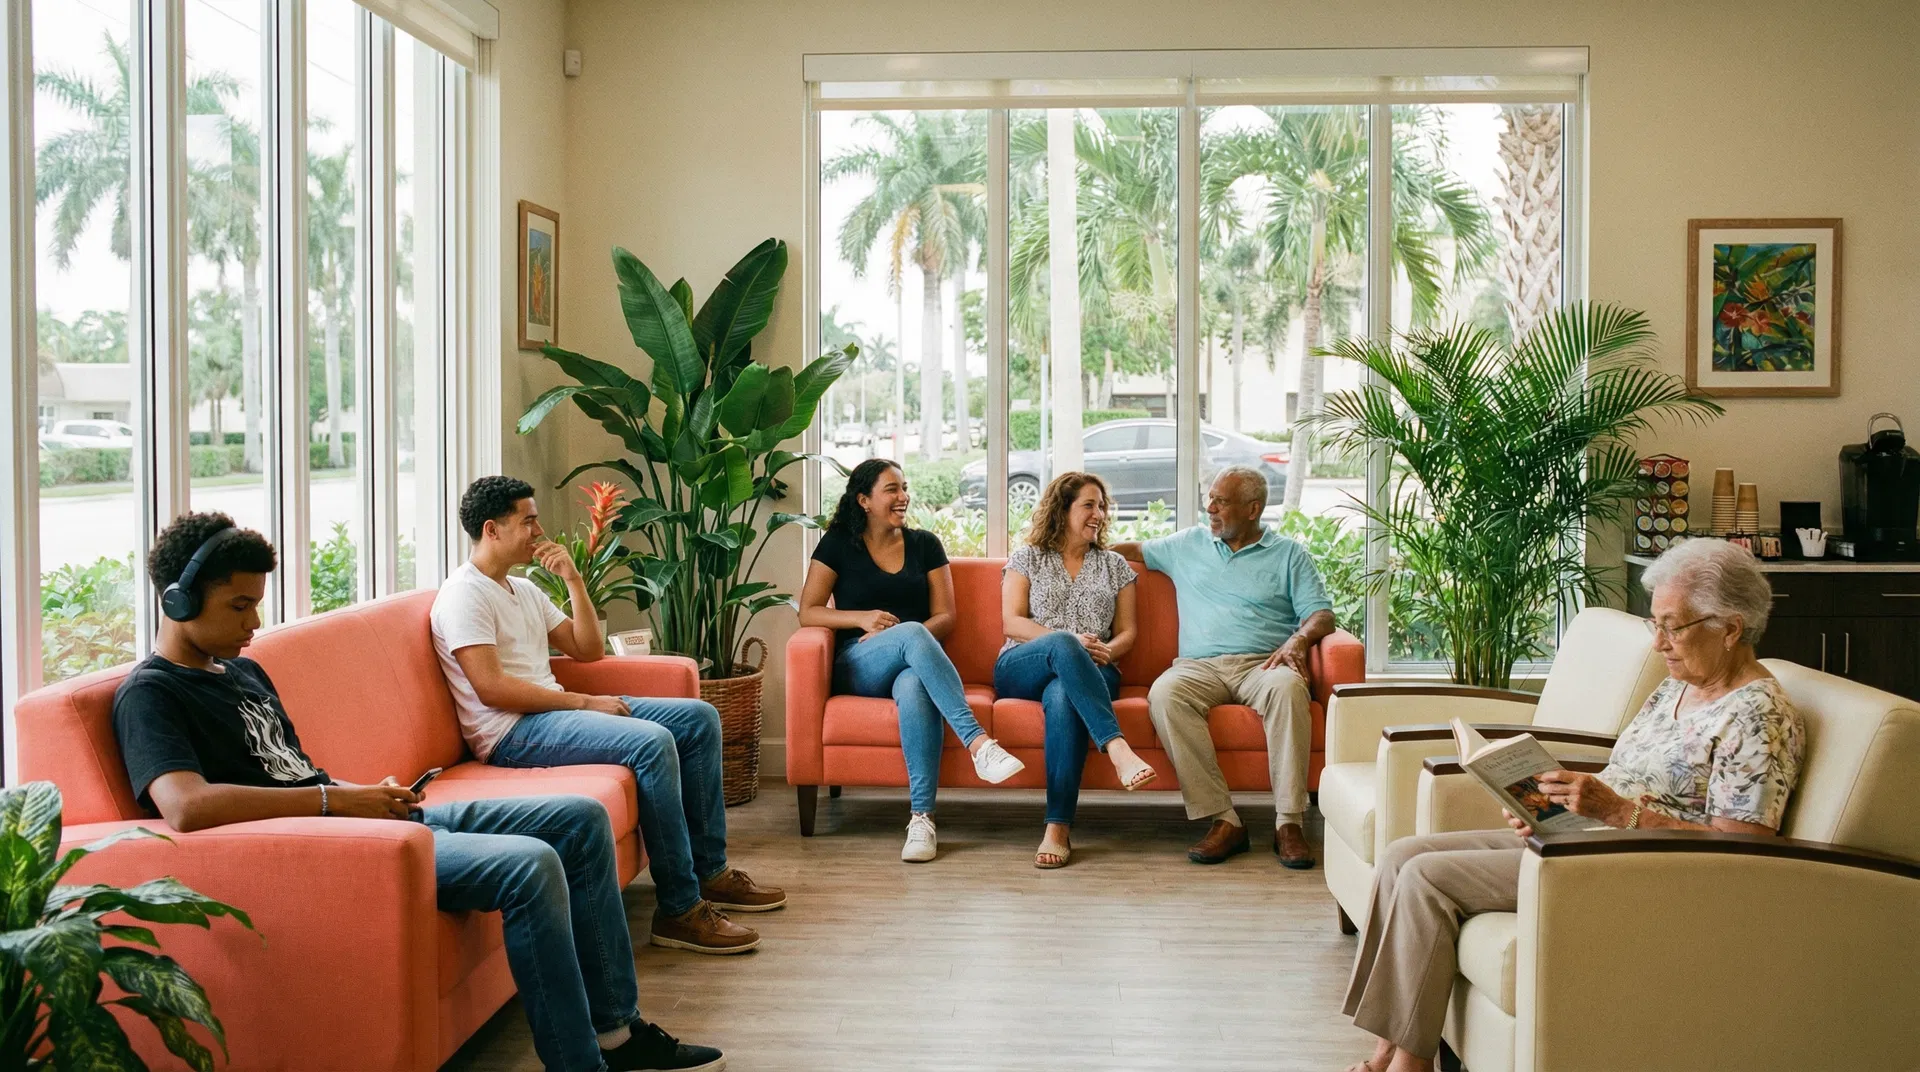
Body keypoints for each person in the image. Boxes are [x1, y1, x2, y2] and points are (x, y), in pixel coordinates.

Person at [112, 513, 724, 1072]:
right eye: (239, 606)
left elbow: (295, 772)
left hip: (353, 817)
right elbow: (185, 805)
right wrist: (337, 804)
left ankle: (618, 1034)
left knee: (582, 821)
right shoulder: (151, 693)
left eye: (256, 605)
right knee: (532, 865)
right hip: (327, 846)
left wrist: (363, 793)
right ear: (179, 600)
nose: (254, 623)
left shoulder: (243, 670)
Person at [1341, 538, 1805, 1072]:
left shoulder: (1759, 716)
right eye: (1655, 625)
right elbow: (1629, 774)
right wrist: (1552, 803)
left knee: (1426, 877)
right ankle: (1386, 1049)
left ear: (1730, 628)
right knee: (1401, 855)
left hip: (1635, 867)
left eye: (1672, 627)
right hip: (1587, 839)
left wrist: (1614, 813)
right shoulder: (1679, 687)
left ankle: (1410, 1065)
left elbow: (1742, 853)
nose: (1659, 644)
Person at [432, 476, 782, 958]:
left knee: (699, 718)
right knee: (651, 742)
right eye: (528, 520)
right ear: (492, 529)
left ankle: (710, 873)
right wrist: (582, 702)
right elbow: (491, 689)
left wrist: (573, 579)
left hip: (548, 716)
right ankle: (679, 909)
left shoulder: (522, 589)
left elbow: (588, 649)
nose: (539, 529)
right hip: (510, 732)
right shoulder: (464, 594)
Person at [797, 458, 1026, 862]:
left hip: (911, 664)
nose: (903, 497)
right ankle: (979, 744)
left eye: (904, 488)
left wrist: (907, 639)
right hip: (859, 661)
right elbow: (809, 611)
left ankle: (922, 819)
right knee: (912, 633)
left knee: (915, 681)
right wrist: (861, 618)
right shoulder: (838, 543)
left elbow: (947, 617)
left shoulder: (925, 545)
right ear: (864, 500)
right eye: (892, 490)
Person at [1114, 465, 1336, 868]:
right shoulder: (1189, 543)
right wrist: (1073, 552)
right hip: (1198, 667)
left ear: (1253, 509)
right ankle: (1225, 820)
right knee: (1164, 694)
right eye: (1210, 499)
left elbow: (1322, 615)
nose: (1210, 508)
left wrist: (1298, 640)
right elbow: (1133, 550)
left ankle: (1289, 823)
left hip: (1263, 663)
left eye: (1221, 501)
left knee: (1289, 690)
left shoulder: (1289, 554)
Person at [996, 472, 1158, 869]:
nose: (1099, 514)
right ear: (1062, 509)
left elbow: (1128, 633)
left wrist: (1106, 650)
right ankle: (1117, 748)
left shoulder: (1114, 565)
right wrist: (1067, 641)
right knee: (1065, 644)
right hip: (1024, 664)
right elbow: (1012, 623)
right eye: (1089, 505)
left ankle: (1057, 827)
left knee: (1062, 696)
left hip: (1093, 672)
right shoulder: (1027, 556)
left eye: (1102, 506)